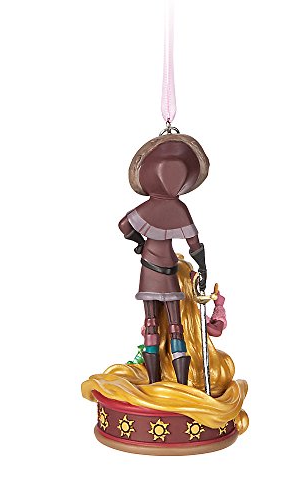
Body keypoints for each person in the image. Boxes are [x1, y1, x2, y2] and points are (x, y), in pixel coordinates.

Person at [118, 134, 209, 385]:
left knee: (151, 324)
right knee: (175, 326)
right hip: (168, 270)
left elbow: (124, 225)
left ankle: (154, 383)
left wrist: (139, 242)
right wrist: (203, 267)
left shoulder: (148, 208)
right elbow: (194, 244)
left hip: (150, 268)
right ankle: (179, 385)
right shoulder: (179, 209)